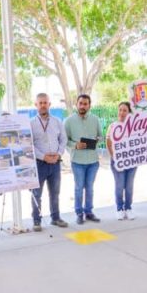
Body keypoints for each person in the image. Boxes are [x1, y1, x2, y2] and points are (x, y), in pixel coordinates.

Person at [30, 93, 68, 230]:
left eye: (45, 102)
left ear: (49, 104)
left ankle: (55, 218)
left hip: (55, 163)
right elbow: (29, 145)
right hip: (39, 164)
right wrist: (43, 157)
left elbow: (63, 139)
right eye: (40, 103)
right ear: (36, 105)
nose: (43, 105)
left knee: (55, 193)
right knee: (36, 194)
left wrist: (59, 154)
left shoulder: (57, 121)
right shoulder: (31, 124)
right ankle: (37, 221)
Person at [64, 94, 103, 225]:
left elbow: (101, 136)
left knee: (90, 188)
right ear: (76, 104)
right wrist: (75, 145)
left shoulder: (95, 119)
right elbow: (64, 140)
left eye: (85, 104)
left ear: (89, 105)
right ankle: (79, 213)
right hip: (77, 161)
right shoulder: (68, 121)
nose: (82, 106)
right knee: (79, 188)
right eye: (80, 103)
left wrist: (97, 140)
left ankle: (89, 212)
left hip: (93, 161)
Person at [107, 101, 137, 220]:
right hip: (117, 162)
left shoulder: (134, 127)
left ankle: (128, 208)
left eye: (125, 110)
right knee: (119, 186)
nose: (122, 112)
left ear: (129, 113)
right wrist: (114, 157)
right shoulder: (112, 126)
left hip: (132, 162)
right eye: (120, 110)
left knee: (129, 186)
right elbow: (108, 143)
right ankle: (119, 208)